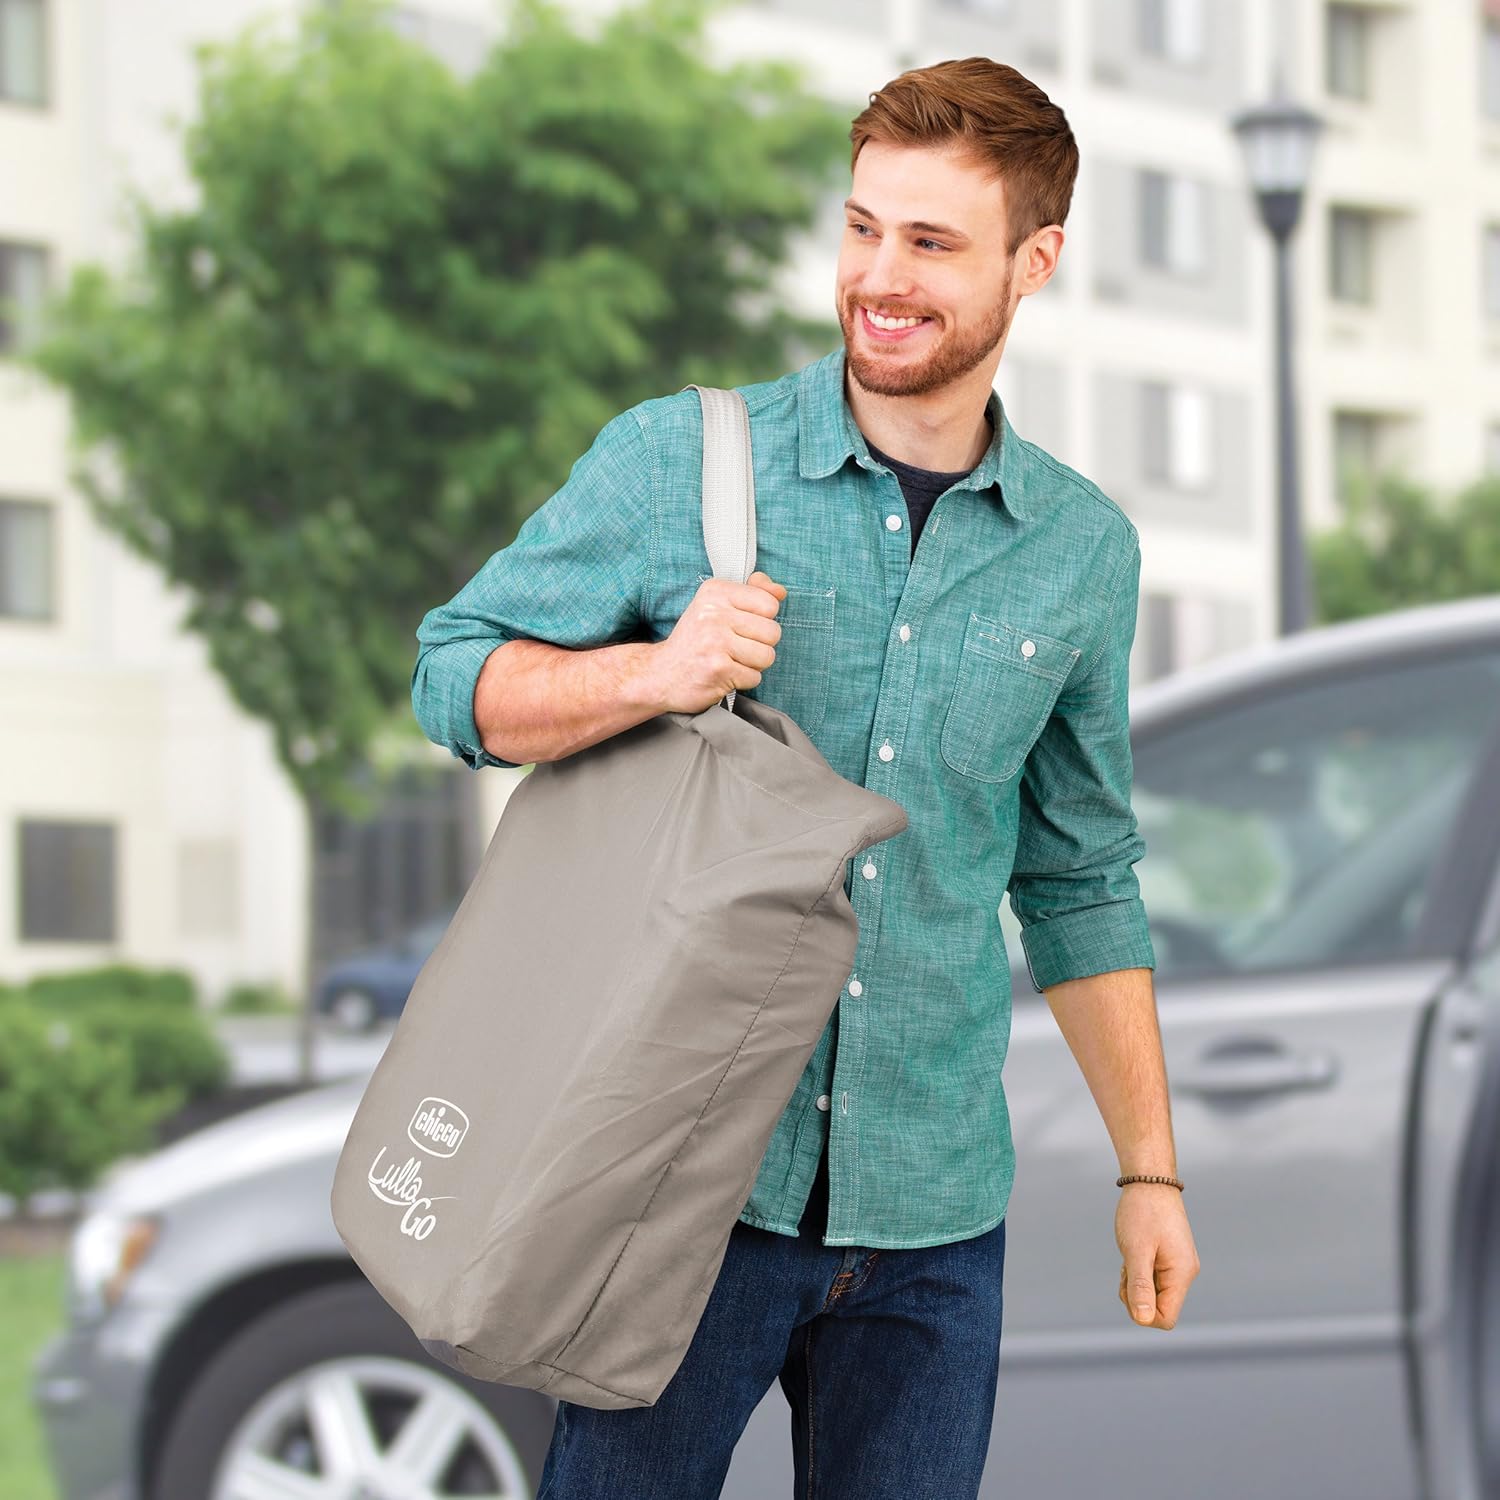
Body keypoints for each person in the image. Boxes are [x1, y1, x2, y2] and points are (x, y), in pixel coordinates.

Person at [411, 54, 1200, 1500]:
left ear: (1034, 262)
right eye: (861, 228)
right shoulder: (681, 461)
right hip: (679, 1193)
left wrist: (1148, 1170)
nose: (879, 278)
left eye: (931, 243)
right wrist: (650, 675)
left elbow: (1080, 876)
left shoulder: (1082, 553)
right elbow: (451, 677)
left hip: (935, 1217)